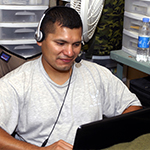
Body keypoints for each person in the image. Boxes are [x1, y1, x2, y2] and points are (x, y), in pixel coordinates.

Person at [0, 6, 142, 150]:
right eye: (61, 43)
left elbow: (133, 108)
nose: (69, 52)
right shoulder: (15, 83)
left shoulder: (98, 74)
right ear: (40, 39)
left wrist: (108, 137)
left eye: (76, 44)